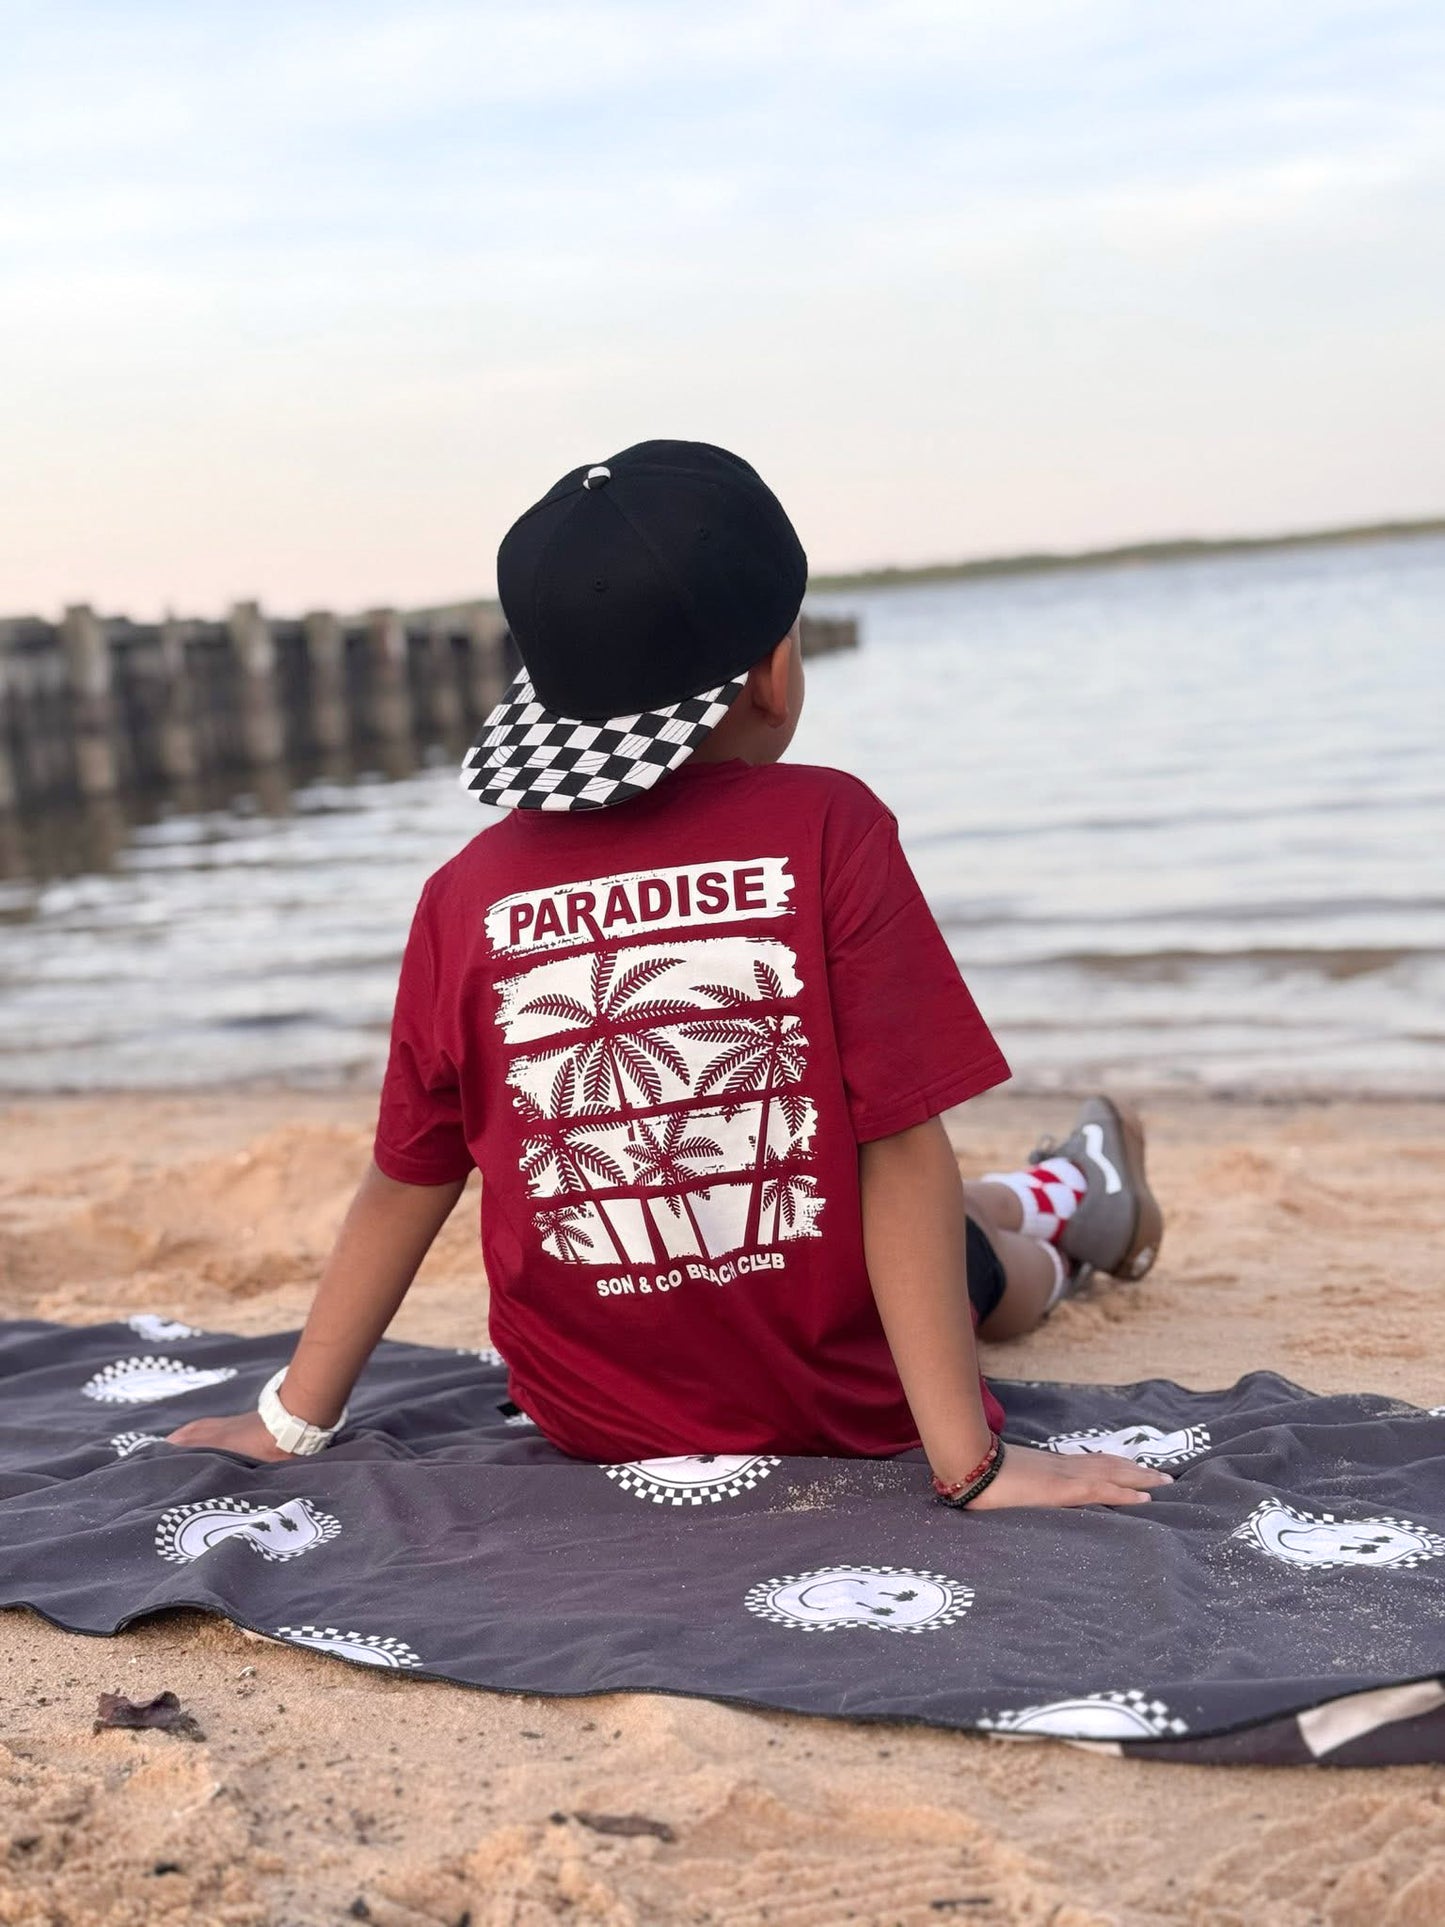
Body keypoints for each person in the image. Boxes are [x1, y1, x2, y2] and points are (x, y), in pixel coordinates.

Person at [170, 440, 1165, 1513]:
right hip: (841, 1398)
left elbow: (408, 1178)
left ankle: (1058, 1185)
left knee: (855, 1192)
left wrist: (289, 1421)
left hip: (592, 1415)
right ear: (773, 670)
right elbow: (898, 1146)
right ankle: (1077, 1209)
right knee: (983, 1269)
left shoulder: (462, 894)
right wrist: (971, 1464)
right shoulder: (829, 826)